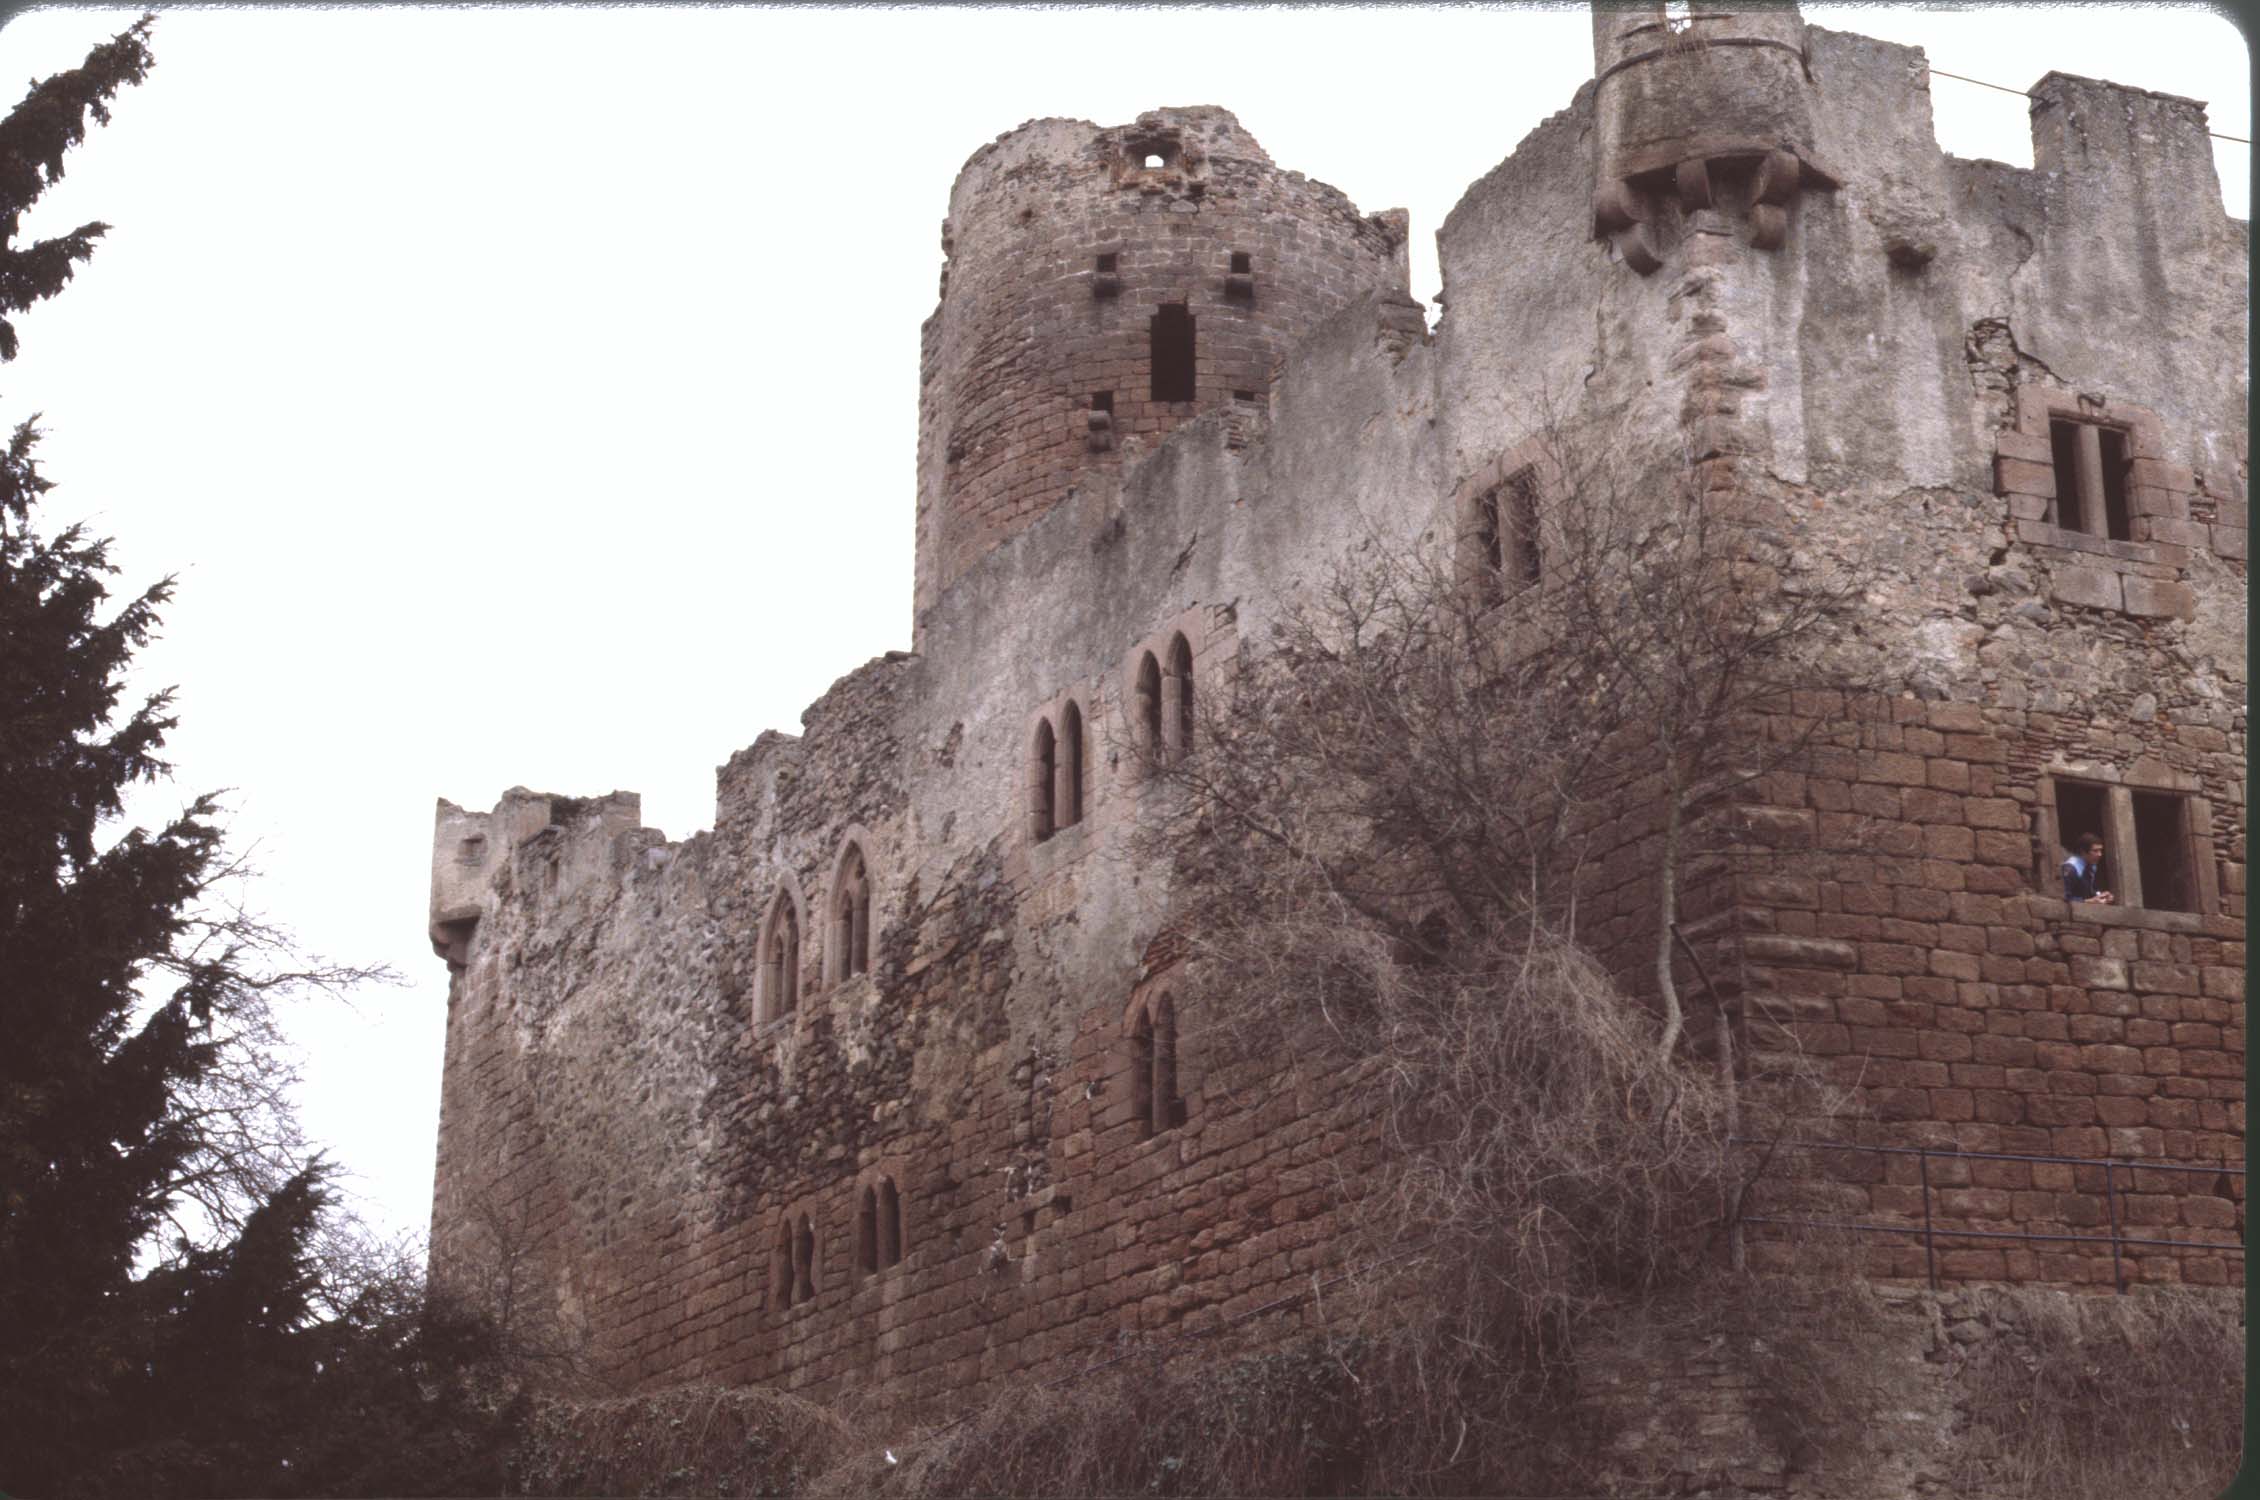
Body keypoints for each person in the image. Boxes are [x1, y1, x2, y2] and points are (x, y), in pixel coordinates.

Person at [2062, 832, 2114, 904]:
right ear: (2083, 852)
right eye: (2095, 851)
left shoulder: (2092, 866)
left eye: (2100, 850)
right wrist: (2090, 901)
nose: (2100, 854)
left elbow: (2090, 890)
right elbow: (2064, 898)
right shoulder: (2071, 868)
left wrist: (2100, 895)